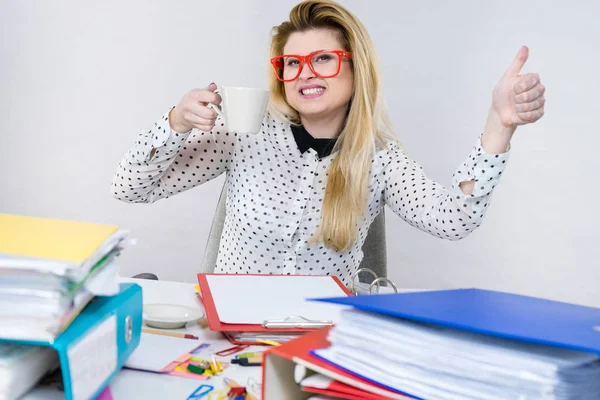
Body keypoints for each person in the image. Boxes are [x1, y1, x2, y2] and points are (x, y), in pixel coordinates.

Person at [111, 0, 545, 285]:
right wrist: (176, 122)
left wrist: (499, 125)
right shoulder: (244, 134)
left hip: (321, 345)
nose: (306, 73)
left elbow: (455, 220)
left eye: (323, 58)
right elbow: (129, 187)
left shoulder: (379, 159)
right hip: (230, 337)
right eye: (292, 63)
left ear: (356, 68)